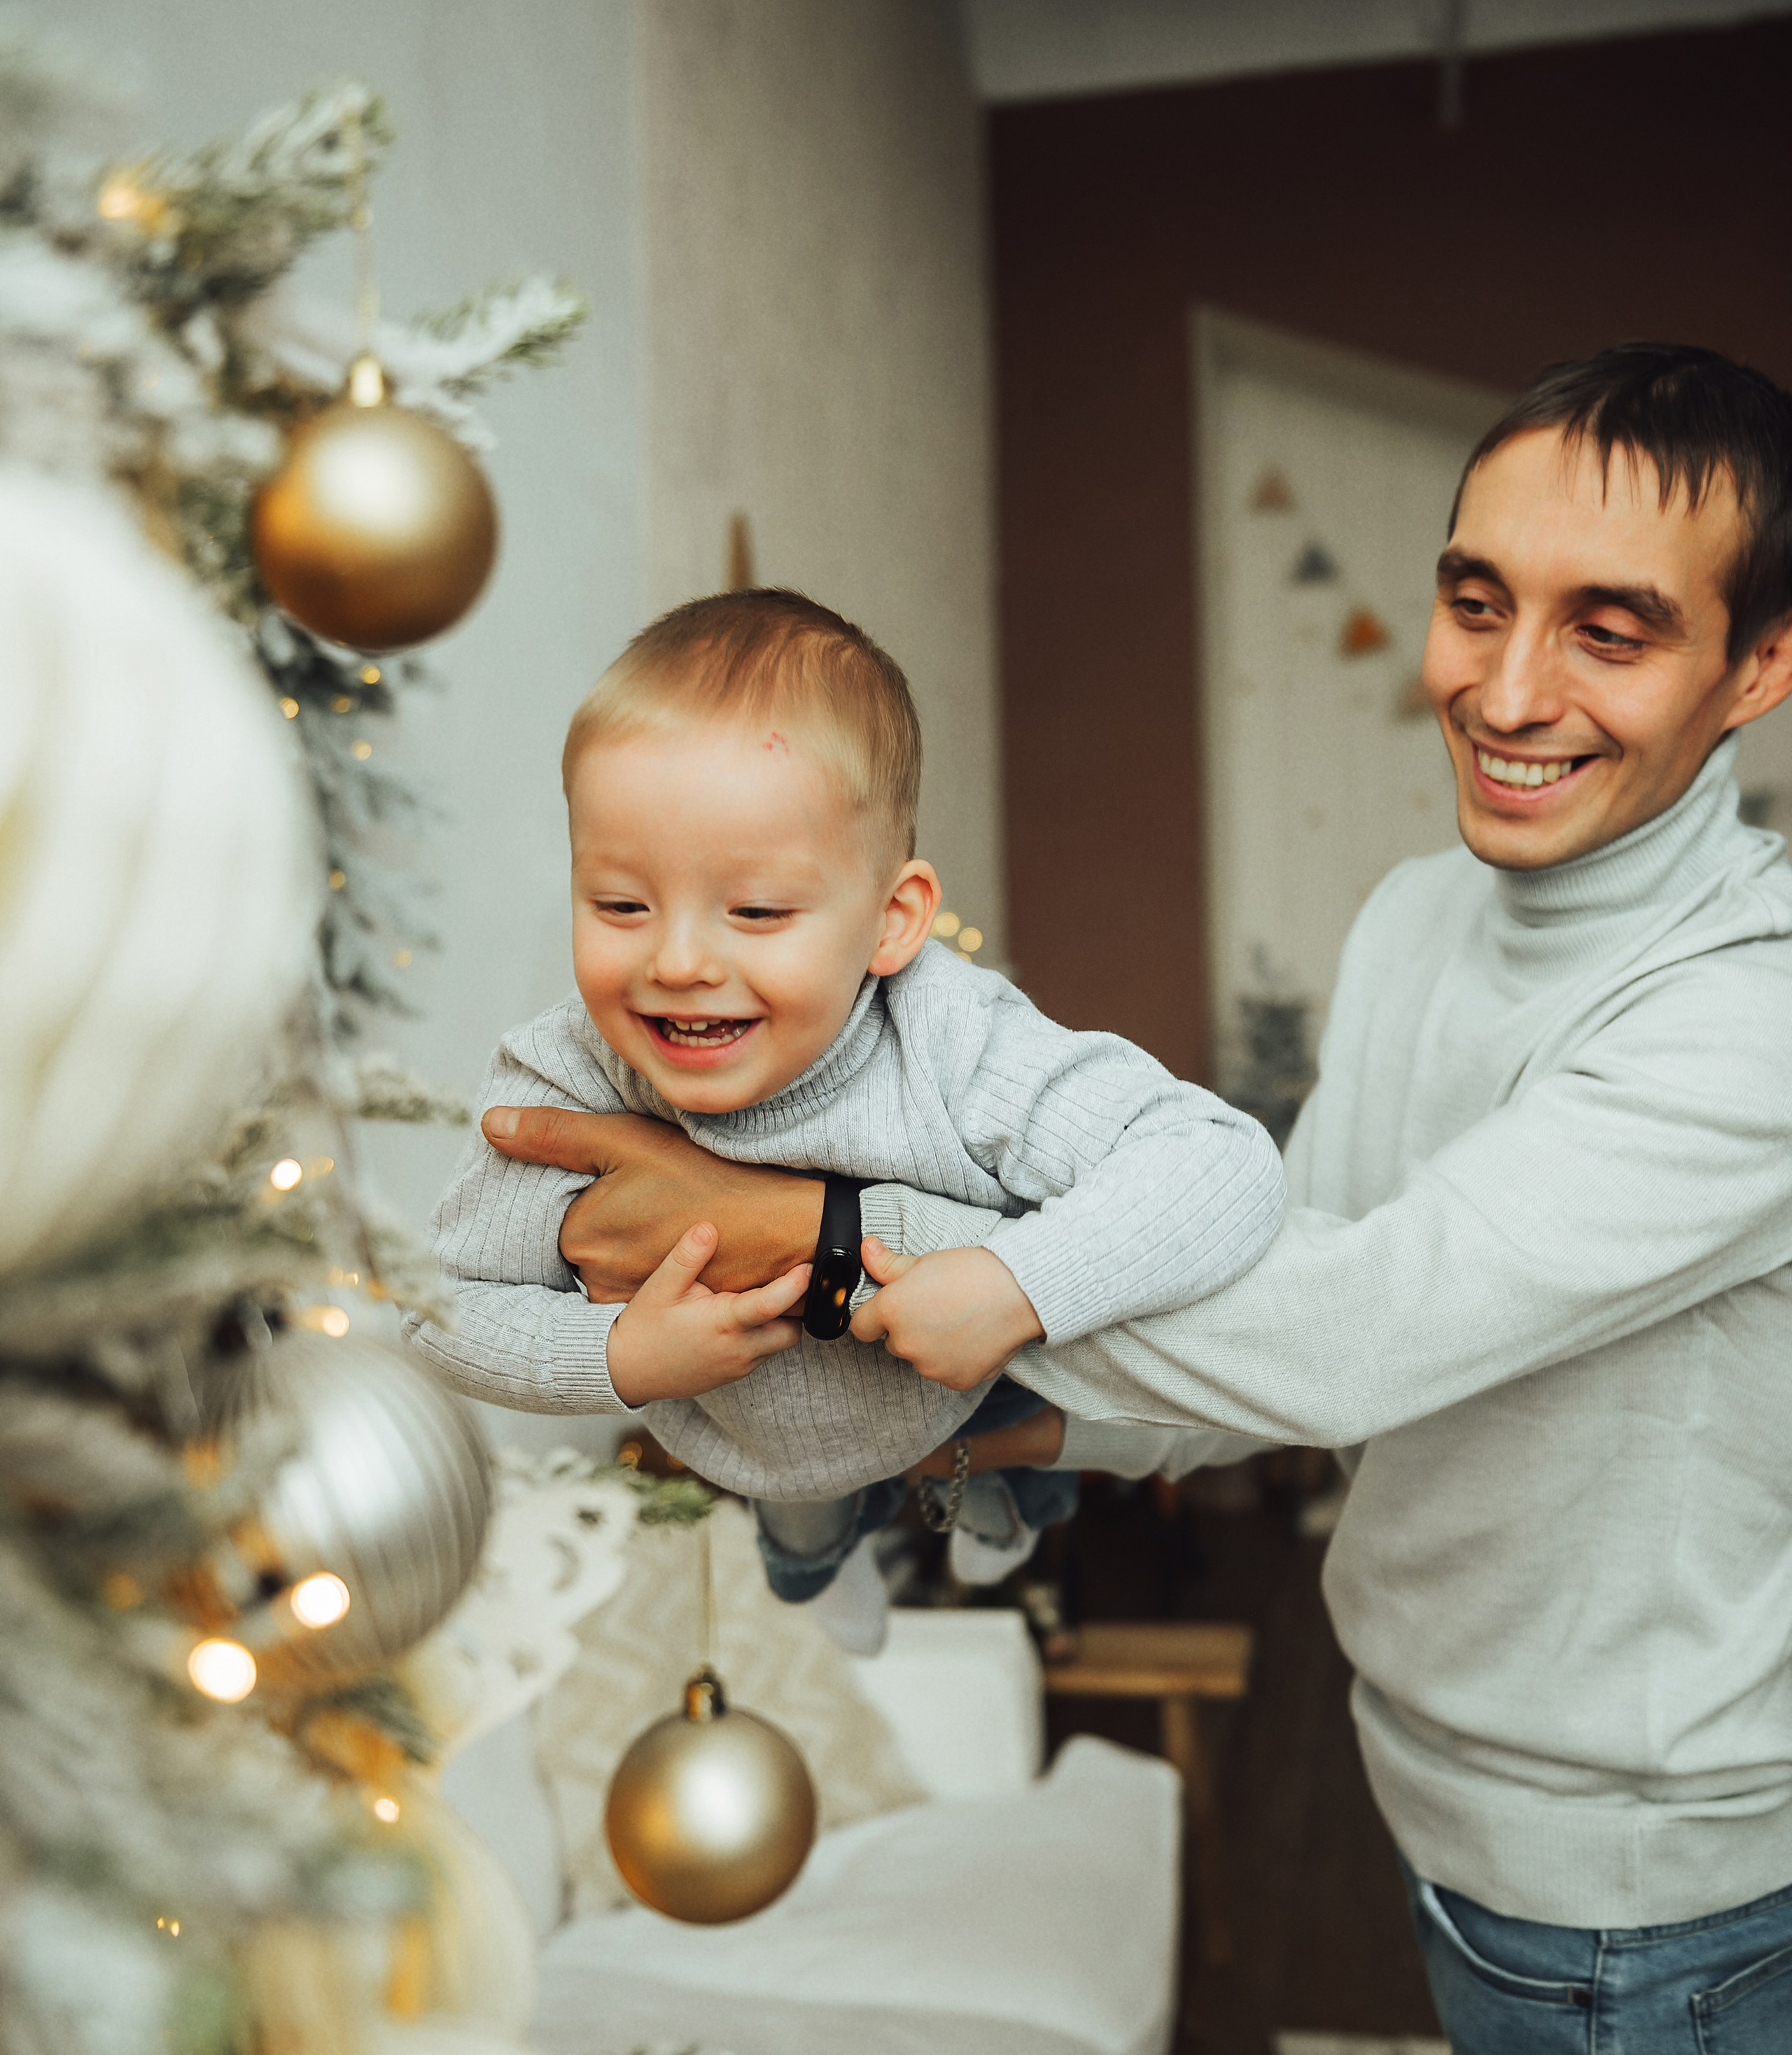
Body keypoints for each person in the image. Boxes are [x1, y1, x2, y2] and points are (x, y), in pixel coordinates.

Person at [479, 345, 1792, 2055]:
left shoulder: (1753, 1015)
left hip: (1625, 1861)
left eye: (1610, 628)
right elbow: (1264, 1290)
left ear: (1760, 667)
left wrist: (815, 1243)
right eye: (1476, 599)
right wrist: (980, 1420)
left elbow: (1360, 1327)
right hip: (1442, 1771)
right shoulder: (1421, 916)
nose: (1506, 685)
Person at [405, 587, 1283, 1654]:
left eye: (757, 911)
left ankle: (1004, 1500)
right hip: (745, 1430)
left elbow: (1219, 1161)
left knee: (1032, 1396)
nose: (677, 962)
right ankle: (818, 1550)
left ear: (891, 921)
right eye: (622, 906)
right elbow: (434, 1312)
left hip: (962, 1390)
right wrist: (621, 1354)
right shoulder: (566, 1069)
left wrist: (1013, 1286)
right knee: (801, 1510)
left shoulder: (953, 1036)